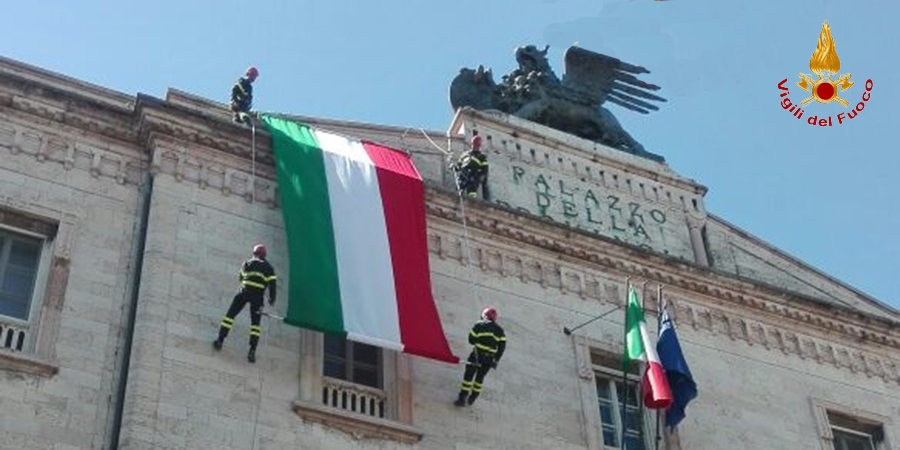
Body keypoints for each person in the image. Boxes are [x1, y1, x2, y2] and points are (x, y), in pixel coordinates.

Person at [213, 244, 277, 363]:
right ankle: (252, 351)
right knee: (255, 325)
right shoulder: (269, 268)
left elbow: (241, 278)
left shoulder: (247, 263)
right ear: (264, 255)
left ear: (254, 253)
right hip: (257, 298)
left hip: (243, 293)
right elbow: (272, 285)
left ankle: (220, 340)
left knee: (230, 316)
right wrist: (272, 299)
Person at [454, 307, 506, 406]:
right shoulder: (500, 331)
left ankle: (462, 399)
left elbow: (471, 340)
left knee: (468, 376)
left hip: (476, 355)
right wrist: (496, 360)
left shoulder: (479, 324)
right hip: (489, 359)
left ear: (484, 316)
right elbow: (502, 347)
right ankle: (473, 396)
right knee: (480, 378)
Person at [453, 130, 489, 198]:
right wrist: (454, 167)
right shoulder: (465, 155)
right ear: (472, 144)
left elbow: (485, 169)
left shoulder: (482, 157)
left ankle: (471, 202)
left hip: (474, 174)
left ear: (479, 146)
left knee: (472, 190)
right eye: (474, 145)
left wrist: (482, 177)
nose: (475, 147)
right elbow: (459, 165)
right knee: (460, 186)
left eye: (477, 145)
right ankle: (458, 198)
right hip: (464, 172)